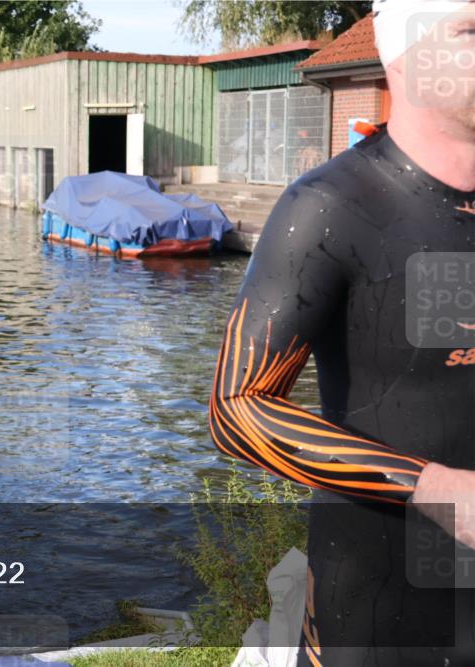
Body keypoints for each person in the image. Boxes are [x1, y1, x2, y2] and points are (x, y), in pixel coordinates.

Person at [208, 1, 474, 665]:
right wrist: (433, 487)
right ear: (404, 53)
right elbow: (236, 409)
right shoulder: (330, 207)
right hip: (376, 612)